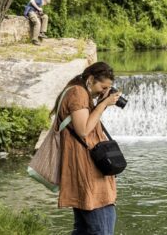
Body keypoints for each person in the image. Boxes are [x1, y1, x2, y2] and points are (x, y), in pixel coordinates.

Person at [50, 62, 121, 235]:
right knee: (101, 229)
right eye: (102, 86)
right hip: (87, 170)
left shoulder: (79, 92)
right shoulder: (78, 93)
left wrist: (100, 102)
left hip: (84, 167)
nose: (103, 91)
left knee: (83, 229)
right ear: (90, 79)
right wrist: (103, 104)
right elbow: (83, 130)